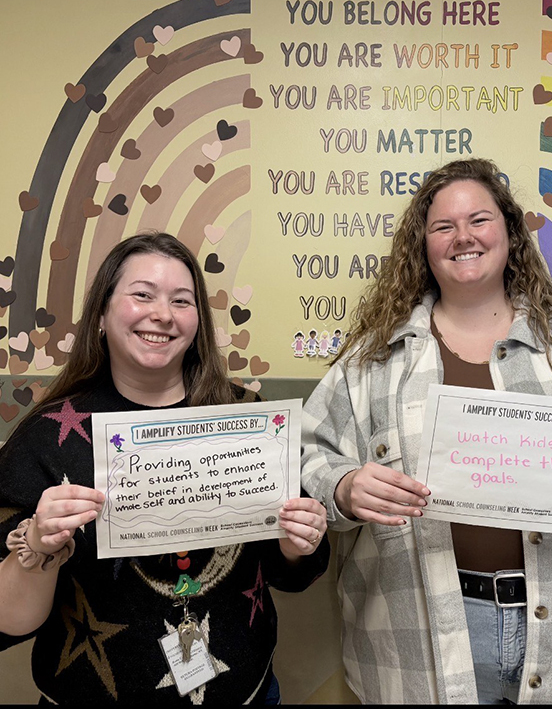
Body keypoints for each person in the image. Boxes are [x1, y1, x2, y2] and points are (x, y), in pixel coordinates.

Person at [301, 158, 552, 704]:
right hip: (418, 650)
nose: (463, 237)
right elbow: (308, 459)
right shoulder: (372, 362)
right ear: (423, 245)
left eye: (479, 219)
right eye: (443, 226)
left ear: (508, 233)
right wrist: (342, 488)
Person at [0, 232, 329, 704]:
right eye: (142, 295)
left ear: (198, 320)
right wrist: (36, 548)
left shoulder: (246, 419)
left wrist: (299, 543)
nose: (163, 314)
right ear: (101, 312)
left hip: (247, 693)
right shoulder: (47, 439)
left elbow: (287, 572)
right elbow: (9, 621)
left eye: (181, 300)